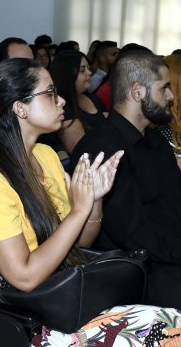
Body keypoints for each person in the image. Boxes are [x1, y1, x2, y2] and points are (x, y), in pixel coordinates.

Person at [0, 57, 181, 346]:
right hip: (17, 307)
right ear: (20, 108)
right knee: (169, 329)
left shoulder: (45, 155)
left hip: (58, 286)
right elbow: (24, 277)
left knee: (169, 323)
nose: (62, 100)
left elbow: (83, 242)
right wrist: (79, 210)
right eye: (50, 93)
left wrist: (94, 201)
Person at [70, 50, 181, 309]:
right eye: (164, 88)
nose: (171, 96)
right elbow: (133, 234)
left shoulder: (153, 140)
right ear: (137, 92)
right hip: (139, 270)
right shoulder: (103, 151)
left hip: (167, 253)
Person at [49, 50, 107, 154]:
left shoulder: (94, 99)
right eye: (82, 70)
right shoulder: (63, 109)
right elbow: (82, 153)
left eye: (88, 68)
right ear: (67, 75)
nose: (89, 73)